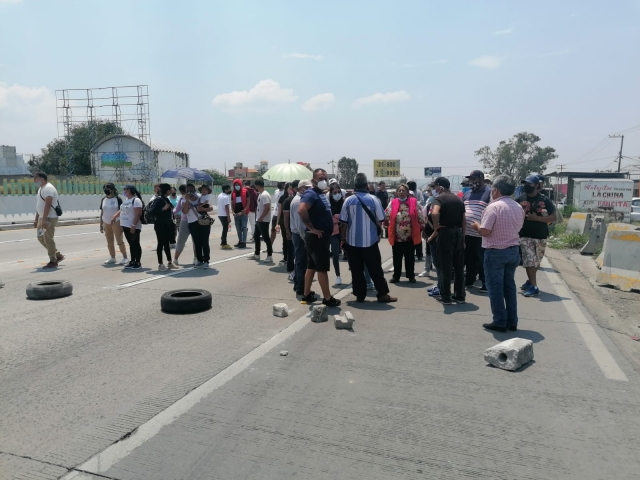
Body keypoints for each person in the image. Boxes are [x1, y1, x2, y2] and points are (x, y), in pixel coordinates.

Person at [471, 175, 525, 332]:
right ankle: (512, 321)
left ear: (495, 190)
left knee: (495, 288)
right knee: (509, 287)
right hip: (513, 250)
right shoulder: (518, 207)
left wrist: (476, 226)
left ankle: (500, 321)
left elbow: (485, 231)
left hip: (495, 252)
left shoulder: (493, 207)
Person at [340, 173, 396, 303]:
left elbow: (344, 222)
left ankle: (360, 295)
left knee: (356, 270)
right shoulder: (373, 199)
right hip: (370, 241)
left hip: (352, 242)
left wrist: (343, 239)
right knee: (375, 269)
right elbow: (381, 218)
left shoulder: (348, 200)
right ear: (366, 186)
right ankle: (382, 294)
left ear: (355, 186)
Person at [298, 168, 341, 307]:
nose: (324, 181)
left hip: (322, 236)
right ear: (313, 180)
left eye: (325, 178)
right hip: (317, 237)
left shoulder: (320, 194)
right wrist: (312, 229)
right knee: (322, 268)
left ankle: (306, 294)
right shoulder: (311, 194)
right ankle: (327, 298)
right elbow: (301, 209)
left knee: (312, 266)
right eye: (321, 178)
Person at [517, 174, 557, 297]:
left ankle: (530, 281)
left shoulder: (545, 200)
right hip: (524, 235)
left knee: (536, 262)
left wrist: (537, 218)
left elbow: (554, 217)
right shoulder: (519, 199)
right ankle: (534, 287)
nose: (527, 186)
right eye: (525, 184)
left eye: (530, 184)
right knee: (529, 260)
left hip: (540, 235)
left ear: (537, 185)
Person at [428, 177, 466, 305]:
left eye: (434, 187)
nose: (434, 190)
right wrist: (463, 235)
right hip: (458, 232)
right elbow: (463, 220)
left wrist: (436, 226)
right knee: (459, 266)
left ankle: (446, 297)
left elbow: (434, 213)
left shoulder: (439, 199)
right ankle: (460, 296)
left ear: (441, 187)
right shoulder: (459, 199)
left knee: (445, 265)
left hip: (446, 232)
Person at [385, 183, 425, 283]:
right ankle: (396, 276)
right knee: (397, 257)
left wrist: (423, 227)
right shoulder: (392, 203)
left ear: (407, 192)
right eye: (400, 190)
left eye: (403, 190)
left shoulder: (414, 202)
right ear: (397, 192)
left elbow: (420, 216)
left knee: (410, 258)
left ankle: (411, 276)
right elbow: (387, 215)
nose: (401, 192)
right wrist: (385, 224)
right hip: (397, 236)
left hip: (410, 237)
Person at [463, 170, 491, 292]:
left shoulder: (489, 193)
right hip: (467, 233)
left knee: (482, 259)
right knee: (469, 258)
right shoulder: (467, 194)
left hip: (481, 233)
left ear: (481, 179)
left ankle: (485, 282)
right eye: (471, 179)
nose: (472, 182)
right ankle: (469, 279)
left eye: (474, 179)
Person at [33, 171, 65, 269]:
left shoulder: (48, 189)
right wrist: (37, 219)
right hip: (43, 217)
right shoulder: (41, 188)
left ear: (42, 179)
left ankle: (53, 260)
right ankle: (57, 255)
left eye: (35, 177)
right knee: (40, 237)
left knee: (48, 239)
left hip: (49, 217)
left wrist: (45, 219)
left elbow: (47, 204)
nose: (34, 179)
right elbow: (40, 205)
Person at [113, 185, 143, 269]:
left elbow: (138, 214)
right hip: (125, 226)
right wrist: (114, 217)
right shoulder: (126, 200)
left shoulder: (136, 200)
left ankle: (138, 262)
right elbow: (121, 210)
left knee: (135, 244)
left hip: (133, 226)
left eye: (125, 190)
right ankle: (132, 261)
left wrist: (133, 225)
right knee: (131, 244)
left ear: (129, 190)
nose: (124, 191)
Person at [289, 180, 310, 296]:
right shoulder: (298, 202)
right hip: (299, 235)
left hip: (298, 234)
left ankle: (298, 284)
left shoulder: (299, 200)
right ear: (301, 188)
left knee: (300, 261)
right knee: (302, 262)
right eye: (307, 188)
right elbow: (300, 224)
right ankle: (301, 288)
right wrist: (305, 238)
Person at [99, 183, 128, 265]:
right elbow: (102, 212)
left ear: (112, 189)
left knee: (119, 240)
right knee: (109, 241)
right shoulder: (103, 199)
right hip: (106, 222)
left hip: (116, 222)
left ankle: (125, 257)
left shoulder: (117, 199)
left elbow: (122, 211)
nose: (106, 190)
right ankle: (112, 257)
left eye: (108, 188)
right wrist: (101, 224)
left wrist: (122, 224)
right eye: (105, 188)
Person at [150, 183, 175, 271]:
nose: (171, 191)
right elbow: (152, 211)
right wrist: (163, 209)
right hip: (160, 225)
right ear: (167, 190)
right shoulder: (159, 199)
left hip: (166, 224)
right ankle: (160, 264)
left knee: (167, 244)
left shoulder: (165, 198)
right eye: (170, 189)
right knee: (160, 243)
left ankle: (169, 262)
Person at [247, 179, 273, 263]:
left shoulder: (265, 195)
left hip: (263, 220)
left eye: (255, 186)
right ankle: (257, 254)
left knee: (266, 238)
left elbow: (267, 207)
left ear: (257, 185)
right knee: (256, 237)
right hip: (259, 220)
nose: (255, 188)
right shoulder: (261, 194)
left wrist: (261, 217)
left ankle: (270, 255)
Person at [181, 184, 207, 268]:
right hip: (192, 223)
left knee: (204, 242)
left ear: (194, 189)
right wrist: (187, 200)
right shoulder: (184, 200)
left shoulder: (200, 197)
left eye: (191, 189)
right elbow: (184, 212)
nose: (189, 191)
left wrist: (203, 208)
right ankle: (199, 260)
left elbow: (209, 207)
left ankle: (206, 261)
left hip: (202, 222)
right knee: (197, 243)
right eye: (187, 190)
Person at [172, 185, 195, 266]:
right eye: (182, 192)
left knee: (195, 241)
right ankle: (175, 259)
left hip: (194, 221)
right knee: (181, 241)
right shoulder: (182, 199)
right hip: (184, 222)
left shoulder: (195, 198)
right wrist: (170, 213)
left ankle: (196, 258)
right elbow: (177, 209)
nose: (183, 193)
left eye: (184, 191)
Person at [281, 181, 298, 281]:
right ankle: (291, 270)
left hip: (301, 230)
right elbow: (285, 218)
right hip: (292, 230)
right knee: (291, 251)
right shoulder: (288, 201)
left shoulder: (304, 199)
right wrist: (287, 231)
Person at [328, 183, 344, 285]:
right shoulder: (328, 204)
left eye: (338, 192)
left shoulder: (344, 203)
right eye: (334, 192)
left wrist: (336, 217)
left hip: (345, 231)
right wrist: (339, 217)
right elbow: (329, 218)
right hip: (333, 232)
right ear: (330, 194)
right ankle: (338, 275)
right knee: (335, 255)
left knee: (351, 255)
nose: (337, 194)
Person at [407, 181, 423, 262]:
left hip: (416, 217)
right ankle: (411, 253)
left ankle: (419, 254)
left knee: (417, 237)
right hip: (408, 220)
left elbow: (422, 201)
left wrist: (414, 203)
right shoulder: (406, 193)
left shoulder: (418, 192)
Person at [231, 178, 250, 248]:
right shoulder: (233, 193)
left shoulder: (245, 191)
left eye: (238, 185)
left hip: (244, 213)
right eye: (235, 185)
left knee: (244, 228)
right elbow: (232, 203)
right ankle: (240, 241)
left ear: (240, 185)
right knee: (238, 229)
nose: (237, 186)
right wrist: (232, 211)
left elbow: (248, 202)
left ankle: (244, 242)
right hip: (236, 214)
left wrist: (245, 210)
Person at [275, 183, 290, 266]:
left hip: (292, 221)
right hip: (283, 220)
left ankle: (292, 256)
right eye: (289, 188)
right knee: (285, 239)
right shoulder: (282, 198)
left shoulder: (295, 197)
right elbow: (279, 211)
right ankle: (285, 257)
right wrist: (277, 223)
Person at [217, 184, 232, 249]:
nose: (230, 190)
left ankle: (222, 241)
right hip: (224, 215)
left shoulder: (220, 195)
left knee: (224, 228)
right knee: (225, 229)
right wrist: (228, 216)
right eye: (229, 189)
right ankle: (224, 243)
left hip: (220, 214)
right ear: (226, 190)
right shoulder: (226, 197)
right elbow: (226, 207)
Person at [271, 182, 285, 247]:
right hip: (275, 213)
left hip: (282, 215)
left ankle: (284, 246)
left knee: (284, 232)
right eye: (278, 182)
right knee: (273, 230)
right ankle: (270, 246)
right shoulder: (276, 191)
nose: (279, 184)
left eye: (281, 183)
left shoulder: (285, 193)